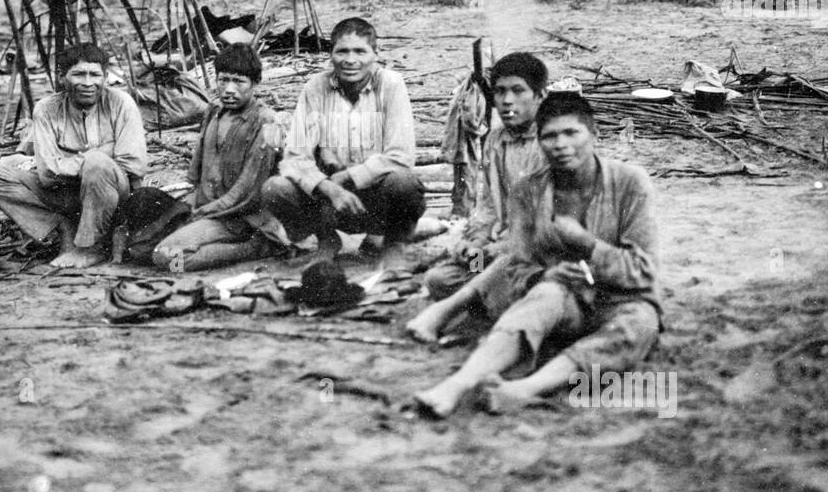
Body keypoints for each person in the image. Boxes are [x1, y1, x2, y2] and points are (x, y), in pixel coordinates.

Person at [407, 92, 661, 418]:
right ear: (540, 142)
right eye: (550, 136)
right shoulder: (527, 189)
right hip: (557, 300)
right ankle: (456, 384)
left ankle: (524, 388)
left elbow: (644, 270)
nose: (560, 144)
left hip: (617, 300)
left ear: (594, 136)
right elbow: (517, 263)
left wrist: (587, 244)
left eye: (571, 133)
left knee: (641, 324)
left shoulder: (629, 184)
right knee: (541, 292)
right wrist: (544, 275)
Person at [261, 16, 425, 257]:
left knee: (404, 183)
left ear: (375, 54)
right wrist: (330, 188)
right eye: (342, 51)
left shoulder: (391, 84)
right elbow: (294, 157)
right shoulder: (316, 87)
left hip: (376, 199)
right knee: (275, 188)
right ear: (331, 55)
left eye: (360, 51)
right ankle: (327, 239)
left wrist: (347, 177)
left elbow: (401, 155)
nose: (350, 60)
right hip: (331, 201)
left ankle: (393, 245)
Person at [0, 42, 147, 269]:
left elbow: (132, 165)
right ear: (62, 78)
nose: (88, 83)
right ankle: (62, 228)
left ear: (105, 77)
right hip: (64, 195)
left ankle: (89, 248)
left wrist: (88, 163)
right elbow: (47, 174)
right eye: (78, 74)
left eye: (94, 75)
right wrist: (103, 152)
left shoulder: (121, 104)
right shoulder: (46, 109)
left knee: (97, 165)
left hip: (113, 197)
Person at [145, 43, 284, 271]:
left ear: (255, 83)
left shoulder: (266, 122)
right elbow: (197, 172)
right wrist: (192, 206)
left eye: (239, 82)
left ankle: (254, 248)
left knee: (167, 258)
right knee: (140, 248)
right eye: (223, 80)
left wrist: (207, 211)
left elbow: (248, 189)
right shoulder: (214, 112)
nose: (229, 89)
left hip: (241, 216)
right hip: (209, 206)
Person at [423, 52, 548, 302]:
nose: (507, 101)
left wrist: (498, 248)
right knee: (440, 279)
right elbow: (489, 205)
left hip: (536, 252)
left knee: (511, 280)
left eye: (518, 90)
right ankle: (482, 289)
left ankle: (493, 295)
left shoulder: (553, 143)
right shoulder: (495, 139)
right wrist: (475, 241)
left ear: (540, 96)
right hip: (495, 249)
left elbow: (550, 224)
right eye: (500, 91)